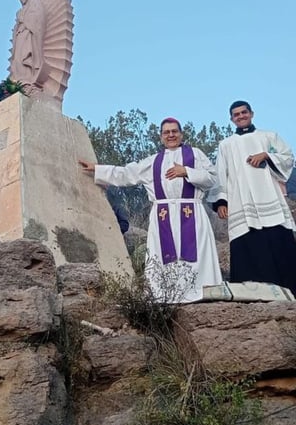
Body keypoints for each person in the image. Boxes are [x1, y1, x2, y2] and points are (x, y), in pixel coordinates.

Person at [79, 118, 221, 303]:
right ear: (161, 137)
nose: (171, 135)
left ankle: (199, 292)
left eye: (174, 131)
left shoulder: (196, 155)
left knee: (195, 254)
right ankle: (165, 295)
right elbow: (126, 174)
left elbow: (212, 179)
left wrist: (187, 171)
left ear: (181, 134)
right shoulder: (153, 161)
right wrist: (98, 170)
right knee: (164, 255)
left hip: (191, 212)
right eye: (166, 132)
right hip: (163, 214)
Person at [209, 100, 296, 293]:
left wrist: (266, 155)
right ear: (231, 119)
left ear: (252, 114)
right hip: (242, 200)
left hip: (269, 196)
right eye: (236, 114)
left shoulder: (269, 136)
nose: (241, 116)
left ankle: (289, 289)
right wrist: (221, 201)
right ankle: (251, 292)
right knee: (248, 244)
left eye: (244, 112)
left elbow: (288, 157)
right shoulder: (226, 145)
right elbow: (221, 174)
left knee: (278, 240)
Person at [9, 0, 46, 86]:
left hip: (28, 34)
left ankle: (26, 77)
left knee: (24, 55)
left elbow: (37, 19)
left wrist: (24, 21)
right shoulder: (20, 11)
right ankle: (19, 78)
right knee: (17, 58)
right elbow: (17, 25)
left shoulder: (34, 6)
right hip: (19, 34)